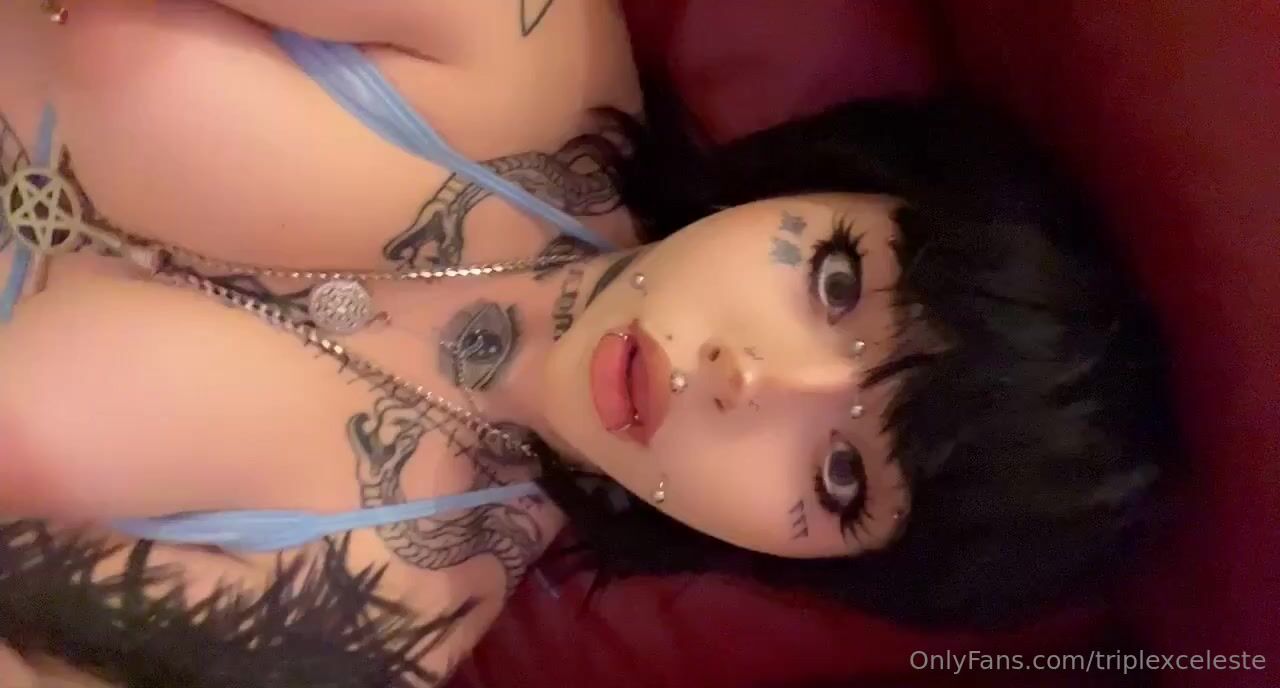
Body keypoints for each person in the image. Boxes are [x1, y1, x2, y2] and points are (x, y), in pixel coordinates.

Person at [0, 1, 1178, 686]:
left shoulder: (375, 613)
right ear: (833, 181)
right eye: (834, 281)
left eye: (838, 473)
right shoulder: (519, 37)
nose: (750, 380)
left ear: (798, 560)